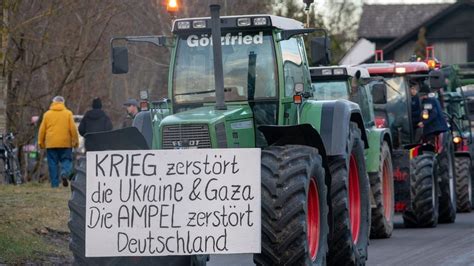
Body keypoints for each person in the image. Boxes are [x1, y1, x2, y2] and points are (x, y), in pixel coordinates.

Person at [38, 96, 79, 187]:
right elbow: (73, 129)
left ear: (53, 103)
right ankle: (64, 173)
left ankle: (54, 185)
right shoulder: (68, 113)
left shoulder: (47, 114)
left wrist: (41, 143)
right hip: (65, 143)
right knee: (66, 161)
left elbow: (42, 130)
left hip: (51, 144)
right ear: (63, 103)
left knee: (52, 164)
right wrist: (75, 141)